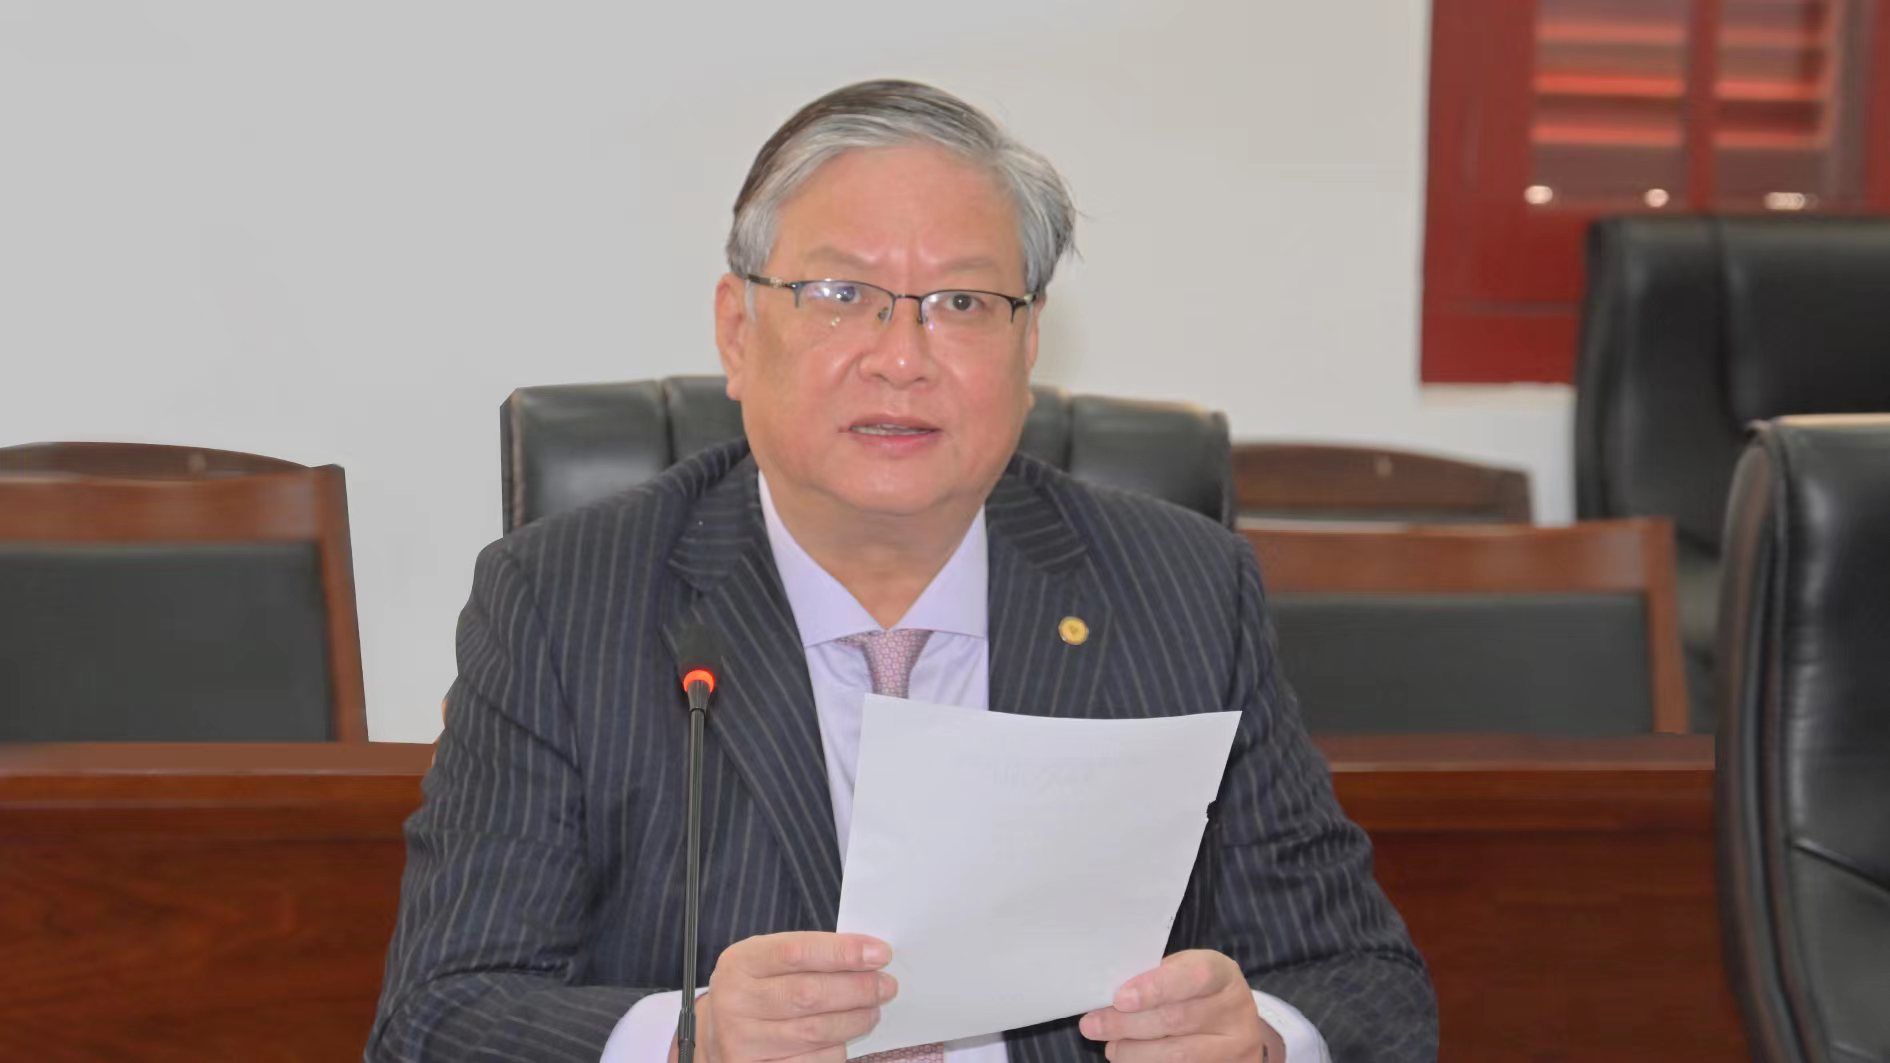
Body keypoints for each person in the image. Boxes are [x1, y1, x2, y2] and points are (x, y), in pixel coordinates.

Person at [368, 80, 1437, 1063]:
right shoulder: (564, 599)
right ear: (738, 332)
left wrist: (1263, 1041)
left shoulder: (1183, 589)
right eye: (842, 293)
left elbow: (1366, 984)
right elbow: (437, 1018)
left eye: (963, 303)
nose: (903, 357)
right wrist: (693, 1037)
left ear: (1028, 346)